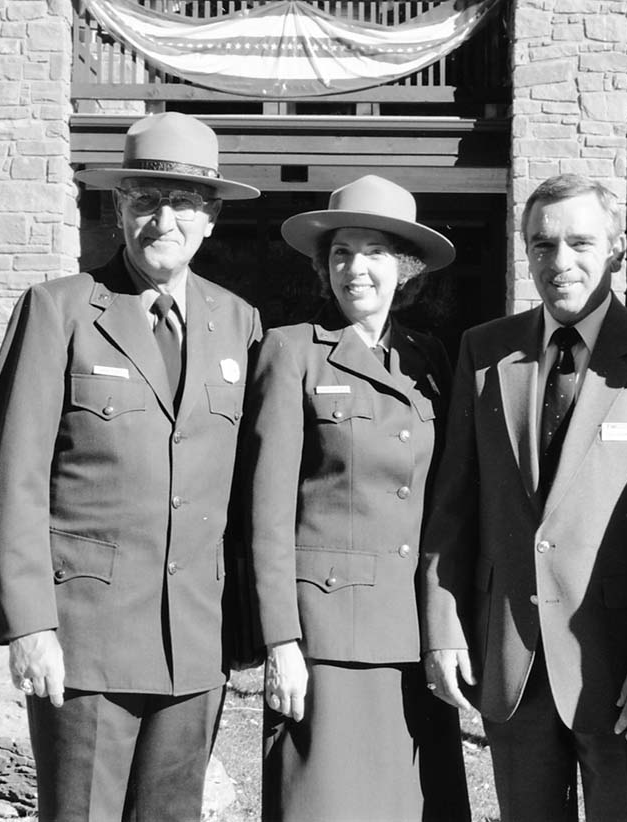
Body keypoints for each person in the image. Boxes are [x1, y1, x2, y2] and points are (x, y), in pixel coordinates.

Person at [0, 111, 263, 821]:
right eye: (145, 199)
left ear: (211, 218)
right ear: (118, 207)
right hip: (86, 640)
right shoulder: (59, 311)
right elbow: (13, 482)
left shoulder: (239, 323)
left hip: (195, 640)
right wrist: (29, 627)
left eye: (184, 202)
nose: (163, 220)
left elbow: (252, 489)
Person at [420, 174, 627, 822]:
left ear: (617, 249)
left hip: (623, 668)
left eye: (580, 243)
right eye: (542, 245)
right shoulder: (485, 351)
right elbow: (454, 504)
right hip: (512, 658)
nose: (559, 261)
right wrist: (442, 626)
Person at [243, 175, 470, 822]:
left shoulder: (428, 359)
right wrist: (281, 642)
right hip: (327, 639)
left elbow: (445, 501)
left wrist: (445, 626)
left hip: (414, 637)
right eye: (341, 253)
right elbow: (266, 511)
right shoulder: (292, 351)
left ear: (405, 268)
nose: (355, 269)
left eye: (373, 253)